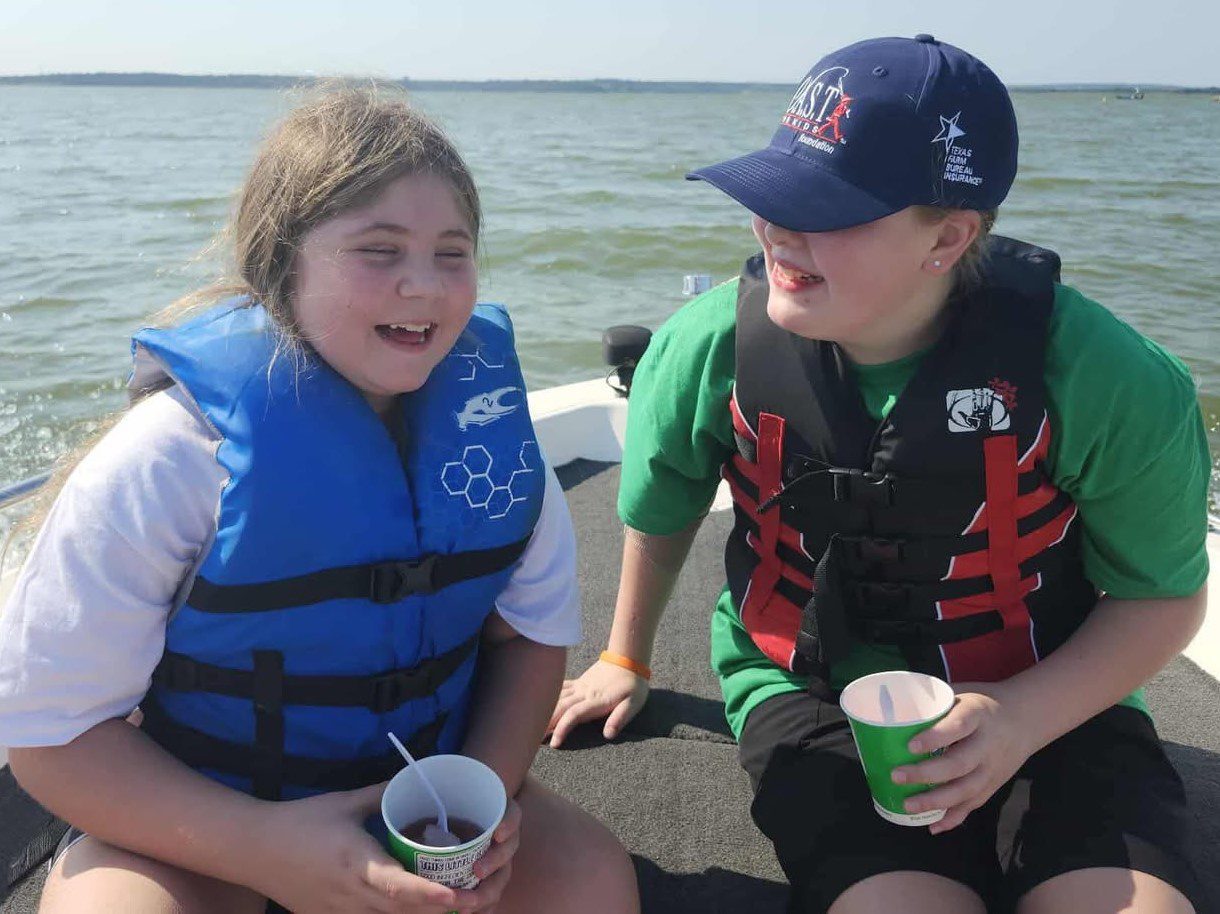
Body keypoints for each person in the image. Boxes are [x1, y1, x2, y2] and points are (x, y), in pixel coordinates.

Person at [548, 35, 1209, 914]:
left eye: (830, 207)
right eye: (774, 194)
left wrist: (1021, 717)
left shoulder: (1106, 379)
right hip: (813, 696)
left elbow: (1163, 595)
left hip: (1056, 697)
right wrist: (624, 656)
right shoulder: (706, 348)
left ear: (950, 236)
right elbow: (661, 510)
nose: (778, 231)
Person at [0, 87, 638, 914]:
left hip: (417, 805)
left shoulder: (492, 445)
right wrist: (264, 849)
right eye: (380, 250)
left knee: (590, 884)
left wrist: (479, 796)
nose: (425, 285)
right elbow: (51, 737)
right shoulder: (171, 458)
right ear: (281, 262)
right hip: (203, 818)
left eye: (454, 253)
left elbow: (527, 643)